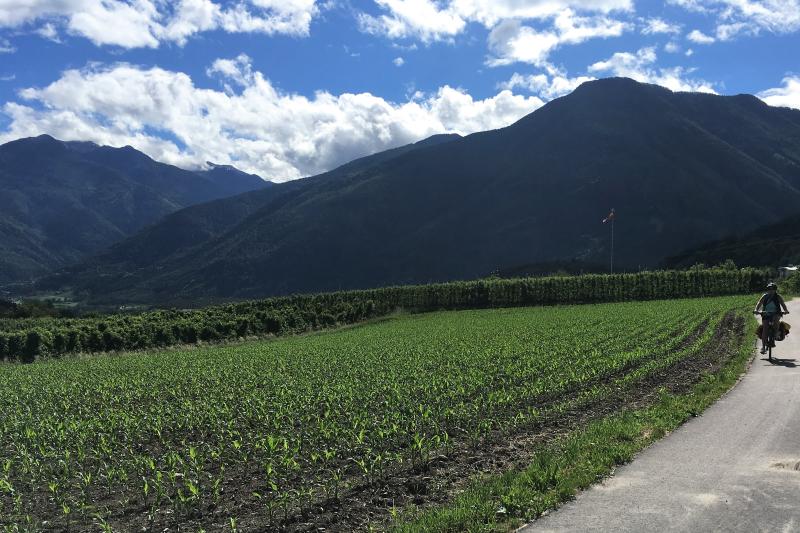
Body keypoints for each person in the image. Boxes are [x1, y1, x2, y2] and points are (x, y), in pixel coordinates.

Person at [754, 282, 789, 354]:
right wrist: (756, 310)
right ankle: (763, 347)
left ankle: (776, 333)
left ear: (775, 290)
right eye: (769, 289)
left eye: (773, 289)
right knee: (765, 328)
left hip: (776, 313)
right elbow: (759, 303)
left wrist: (785, 310)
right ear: (767, 290)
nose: (771, 290)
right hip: (766, 313)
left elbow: (783, 304)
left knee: (776, 319)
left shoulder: (778, 296)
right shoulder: (764, 296)